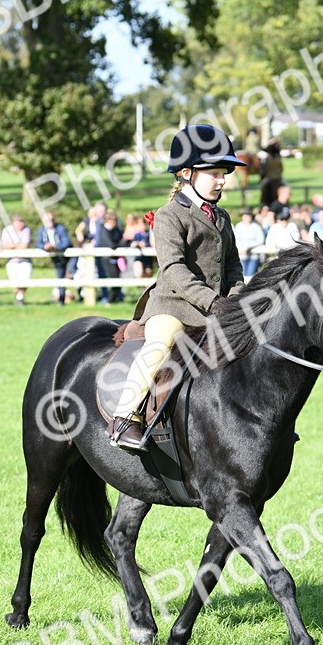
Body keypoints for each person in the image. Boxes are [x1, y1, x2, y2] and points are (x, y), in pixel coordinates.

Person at [109, 124, 245, 451]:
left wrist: (237, 299)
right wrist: (214, 302)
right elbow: (174, 269)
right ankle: (124, 417)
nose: (222, 179)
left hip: (218, 308)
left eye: (223, 173)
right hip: (174, 307)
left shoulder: (222, 217)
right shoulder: (170, 215)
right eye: (214, 173)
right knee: (160, 342)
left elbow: (232, 265)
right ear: (186, 173)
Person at [37, 211, 72, 304]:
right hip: (57, 259)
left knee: (69, 275)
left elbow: (66, 242)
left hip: (67, 257)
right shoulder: (42, 230)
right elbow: (38, 243)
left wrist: (56, 247)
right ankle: (61, 299)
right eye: (48, 220)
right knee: (60, 278)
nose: (50, 222)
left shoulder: (60, 229)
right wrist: (45, 247)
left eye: (51, 219)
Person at [0, 215, 33, 305]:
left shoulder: (26, 230)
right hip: (12, 260)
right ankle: (19, 298)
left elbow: (24, 246)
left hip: (25, 260)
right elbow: (4, 246)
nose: (20, 224)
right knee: (14, 282)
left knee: (25, 280)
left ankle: (19, 298)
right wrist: (17, 245)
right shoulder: (7, 230)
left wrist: (12, 246)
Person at [234, 208, 266, 278]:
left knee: (250, 275)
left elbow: (260, 240)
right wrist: (241, 248)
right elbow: (236, 239)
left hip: (253, 256)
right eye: (245, 215)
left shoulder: (256, 227)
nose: (247, 217)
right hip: (241, 256)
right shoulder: (239, 226)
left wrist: (247, 247)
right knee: (241, 276)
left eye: (248, 215)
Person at [123, 213, 153, 280]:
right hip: (139, 257)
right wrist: (135, 244)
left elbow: (152, 244)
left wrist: (145, 244)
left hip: (148, 259)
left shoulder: (149, 234)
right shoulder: (137, 235)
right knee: (139, 275)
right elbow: (130, 243)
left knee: (147, 276)